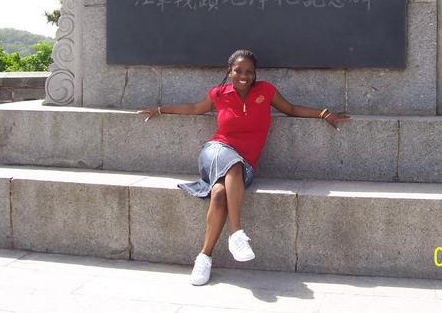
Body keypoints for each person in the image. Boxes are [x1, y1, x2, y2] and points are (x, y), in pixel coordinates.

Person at [139, 49, 350, 285]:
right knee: (233, 164)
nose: (244, 76)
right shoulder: (219, 94)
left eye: (249, 72)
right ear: (229, 71)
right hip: (216, 152)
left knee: (219, 193)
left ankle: (204, 256)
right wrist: (160, 109)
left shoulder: (266, 91)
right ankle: (236, 233)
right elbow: (194, 108)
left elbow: (291, 109)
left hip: (244, 165)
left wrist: (324, 114)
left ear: (255, 74)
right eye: (238, 71)